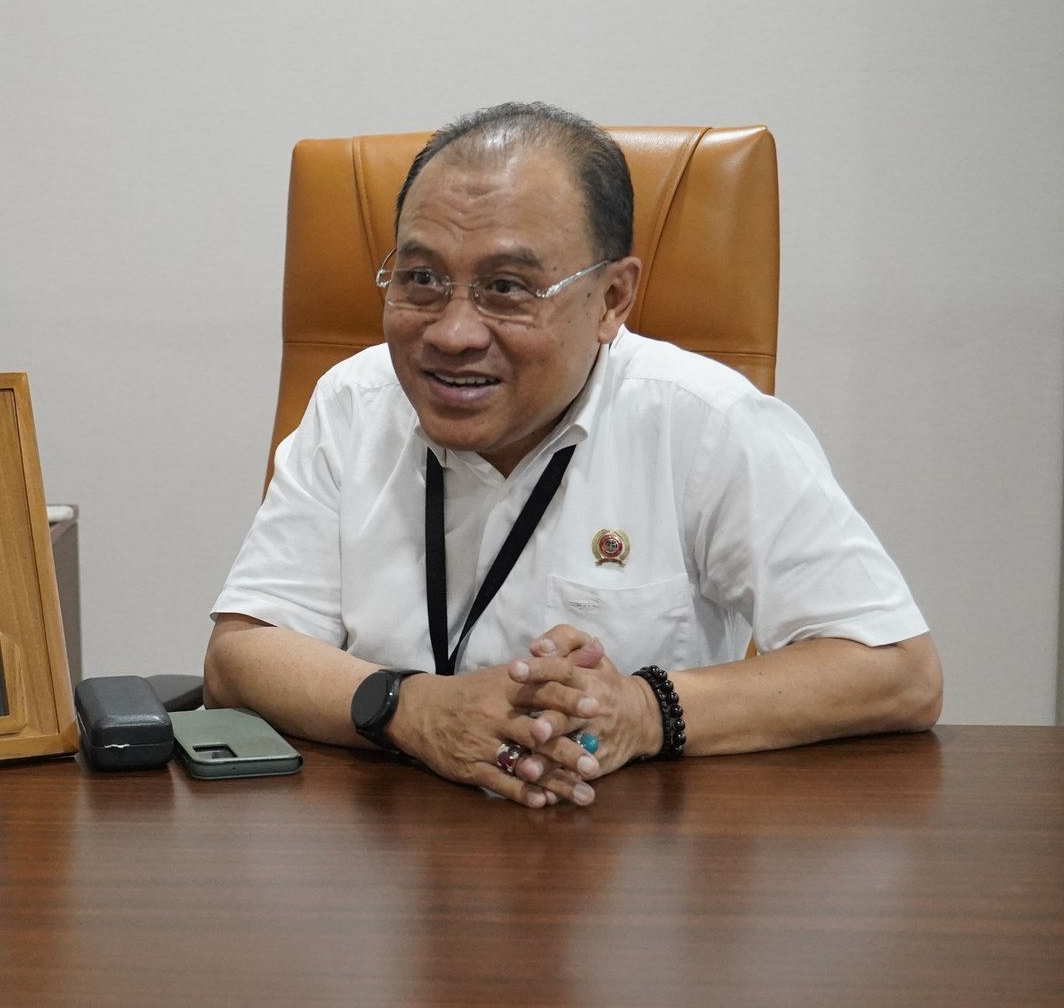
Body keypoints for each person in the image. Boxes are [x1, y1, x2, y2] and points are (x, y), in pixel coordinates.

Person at [204, 101, 941, 809]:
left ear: (613, 299)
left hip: (627, 855)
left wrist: (646, 711)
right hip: (387, 851)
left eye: (506, 288)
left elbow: (899, 673)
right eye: (422, 279)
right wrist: (413, 708)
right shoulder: (354, 401)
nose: (453, 334)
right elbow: (241, 657)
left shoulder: (704, 422)